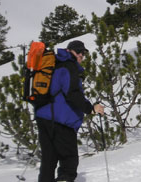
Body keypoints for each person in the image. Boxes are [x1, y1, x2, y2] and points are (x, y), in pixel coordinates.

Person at [35, 40, 104, 182]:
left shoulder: (55, 64)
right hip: (60, 120)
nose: (81, 56)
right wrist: (90, 108)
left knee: (49, 159)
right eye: (80, 52)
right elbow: (72, 93)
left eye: (83, 53)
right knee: (69, 161)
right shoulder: (68, 65)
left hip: (43, 116)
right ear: (71, 51)